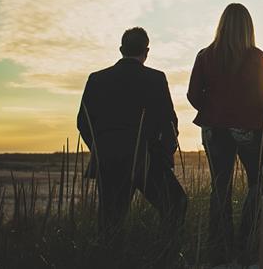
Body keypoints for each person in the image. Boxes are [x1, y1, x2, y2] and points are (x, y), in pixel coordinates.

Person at [77, 27, 187, 250]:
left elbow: (83, 122)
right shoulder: (155, 79)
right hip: (147, 159)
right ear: (146, 51)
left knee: (110, 224)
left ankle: (111, 261)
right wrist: (165, 154)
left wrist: (100, 148)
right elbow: (169, 123)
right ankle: (164, 255)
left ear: (120, 49)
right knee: (176, 203)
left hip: (109, 160)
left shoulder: (97, 79)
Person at [187, 3, 263, 265]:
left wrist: (213, 110)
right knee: (259, 184)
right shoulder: (256, 57)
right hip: (249, 127)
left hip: (214, 128)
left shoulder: (205, 55)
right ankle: (246, 240)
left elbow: (192, 94)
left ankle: (219, 248)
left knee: (220, 187)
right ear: (248, 27)